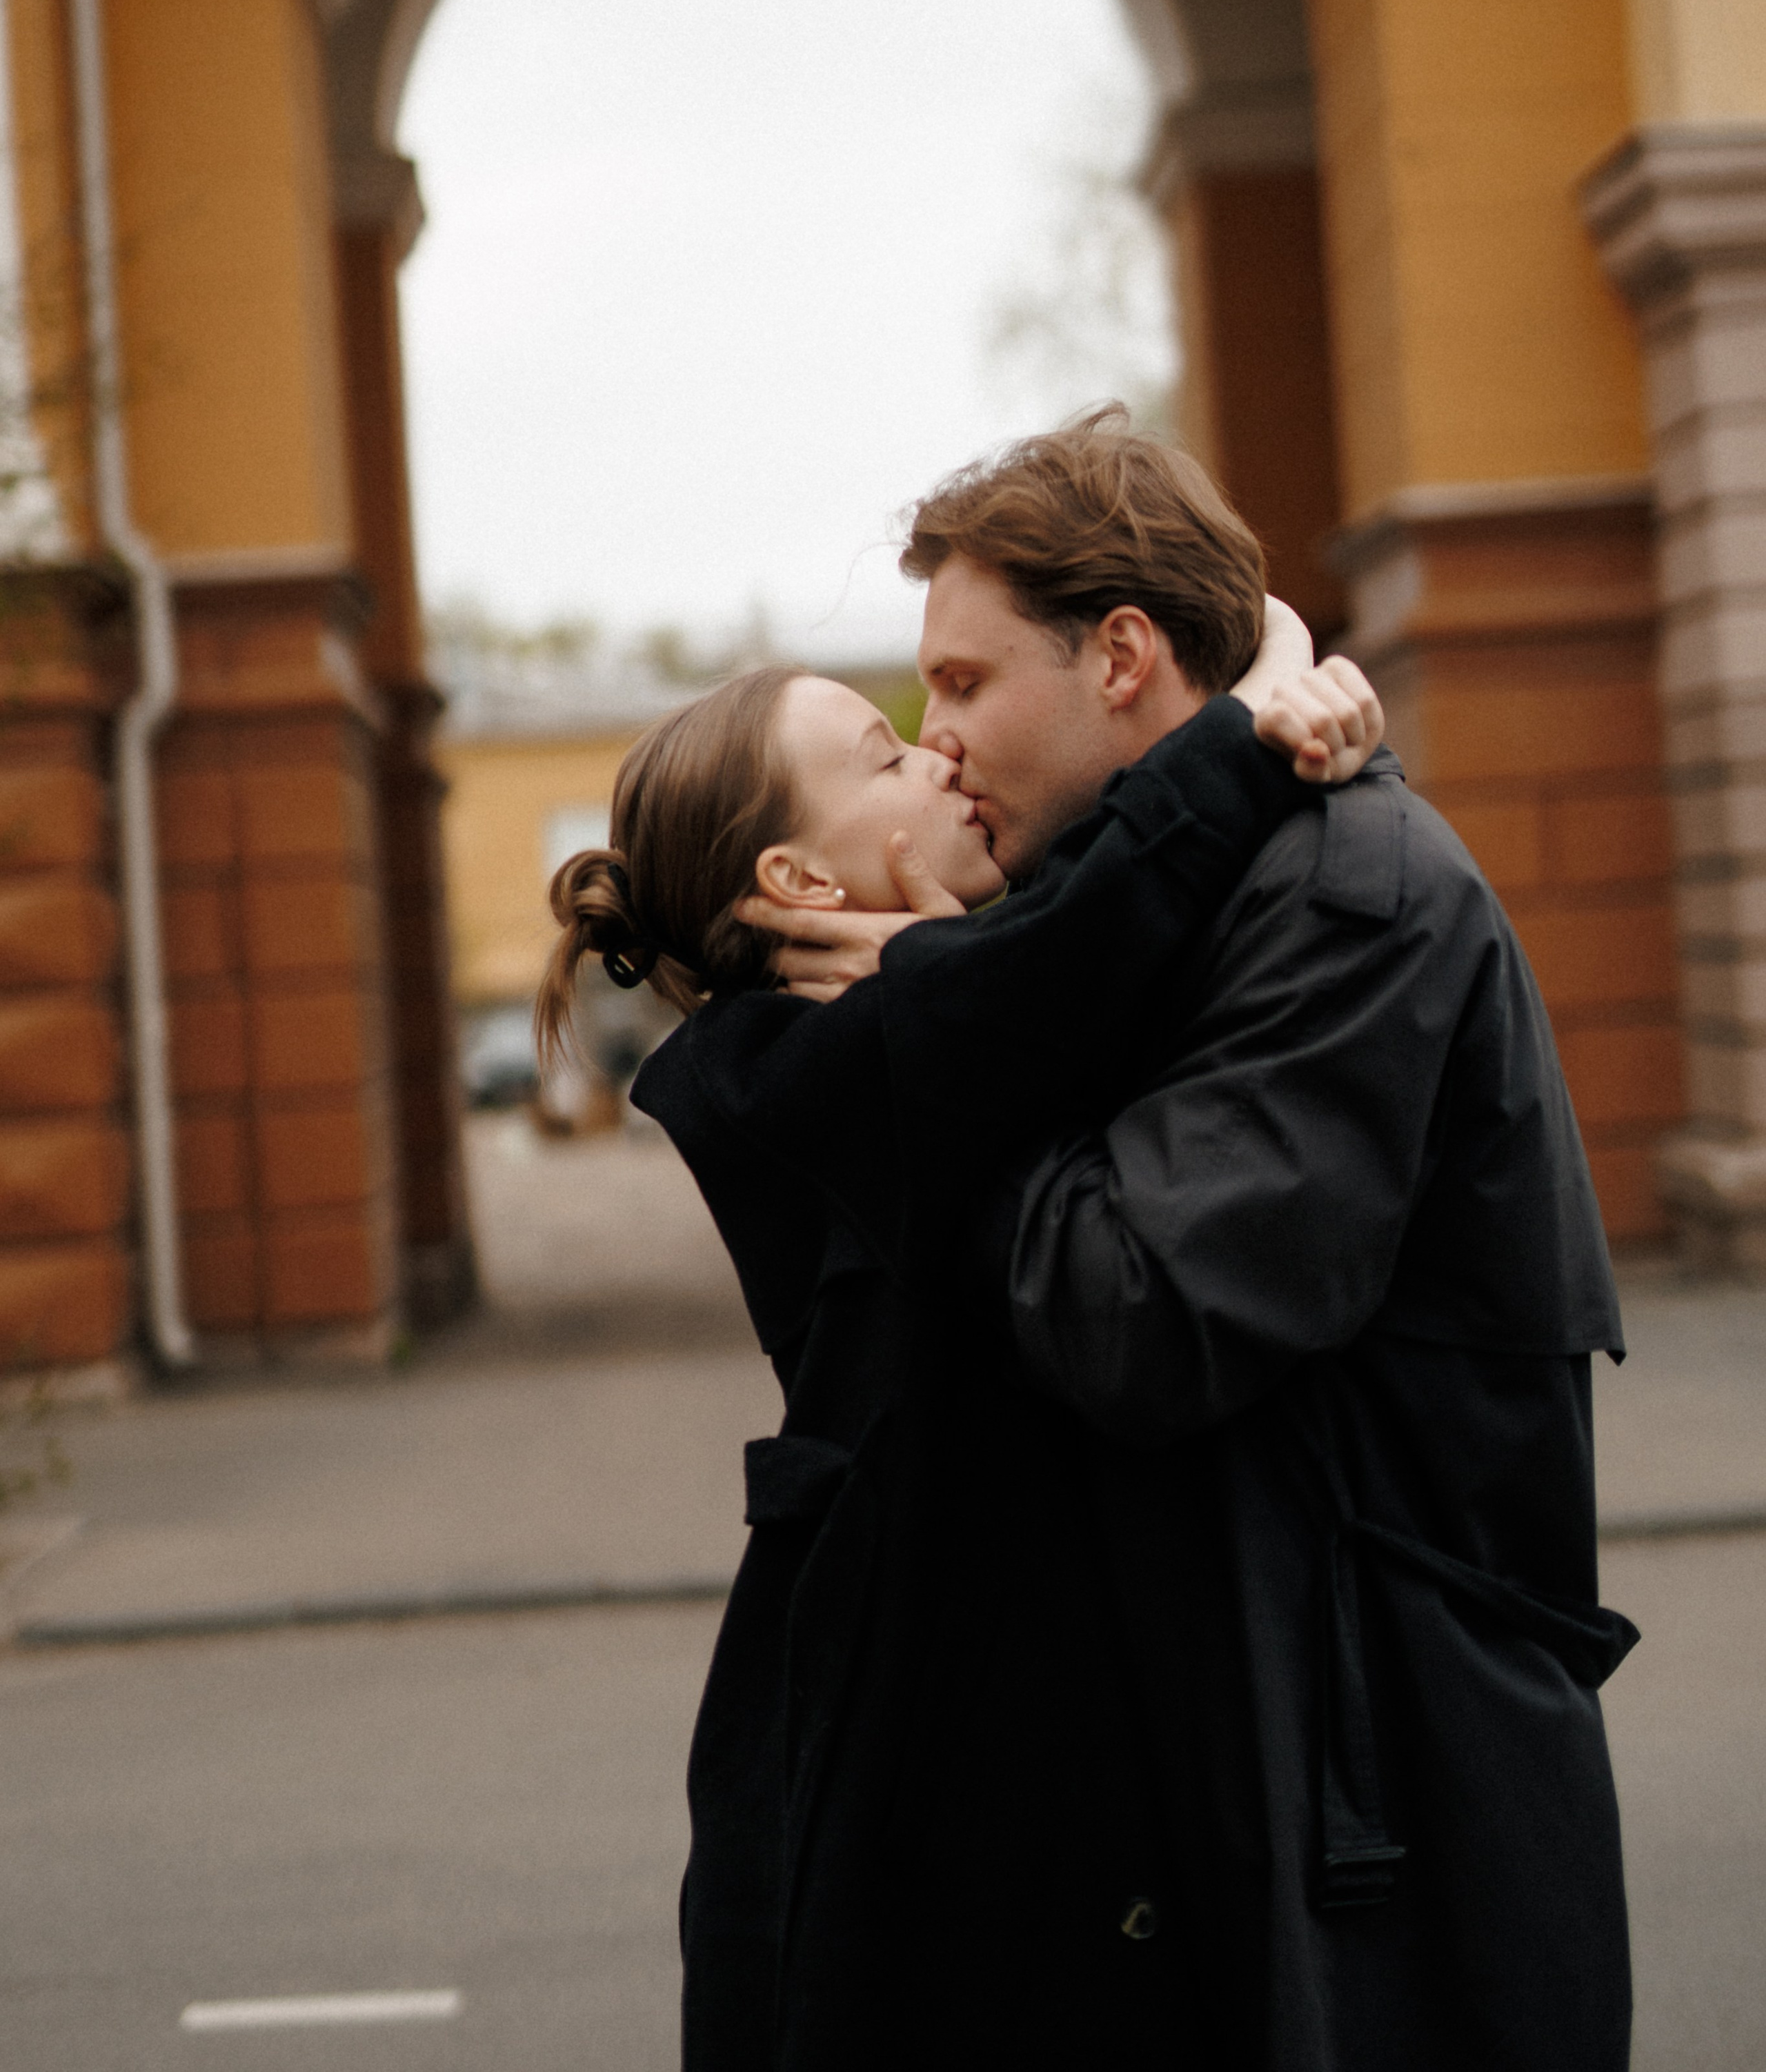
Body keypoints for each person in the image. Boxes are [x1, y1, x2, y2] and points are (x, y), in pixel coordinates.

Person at [537, 565, 1379, 2070]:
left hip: (985, 1755)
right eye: (881, 755)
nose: (937, 747)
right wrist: (1259, 700)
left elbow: (1071, 938)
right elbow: (1097, 928)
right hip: (889, 1786)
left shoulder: (925, 1006)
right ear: (797, 885)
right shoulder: (790, 1072)